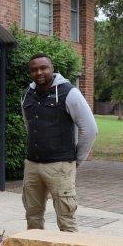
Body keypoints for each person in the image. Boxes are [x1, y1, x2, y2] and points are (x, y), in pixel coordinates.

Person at [20, 53, 98, 232]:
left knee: (66, 220)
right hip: (32, 165)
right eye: (34, 70)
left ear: (52, 69)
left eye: (43, 68)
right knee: (32, 217)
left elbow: (90, 130)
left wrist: (76, 160)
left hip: (60, 166)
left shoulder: (68, 92)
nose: (39, 72)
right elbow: (29, 126)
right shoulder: (27, 95)